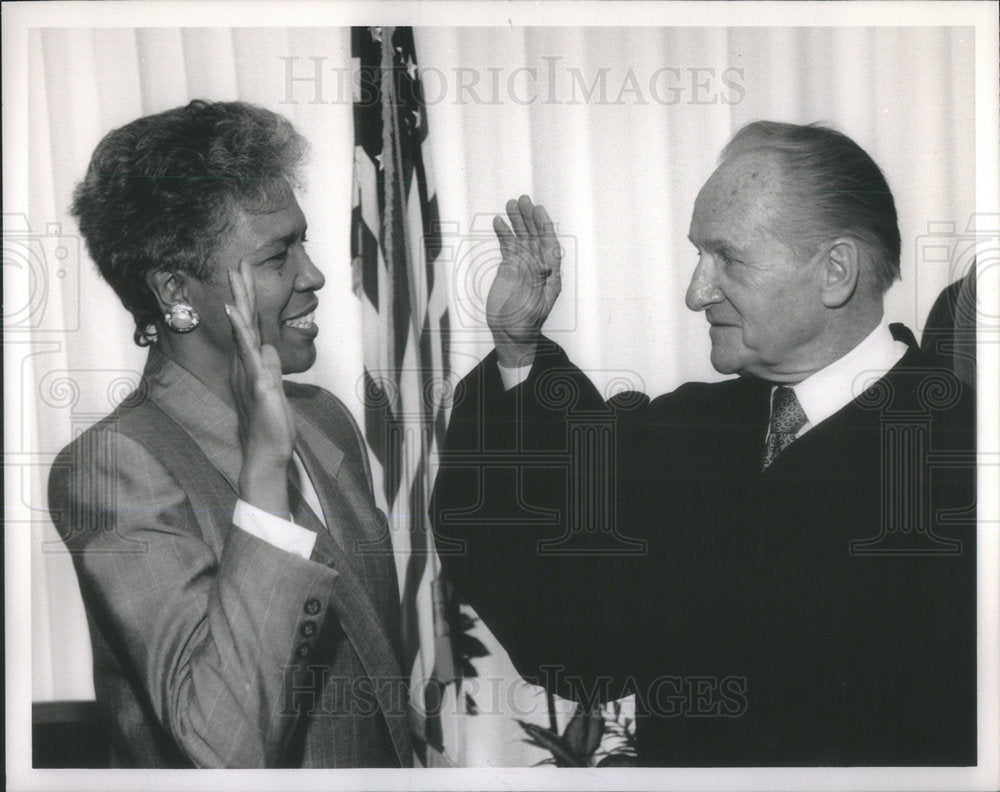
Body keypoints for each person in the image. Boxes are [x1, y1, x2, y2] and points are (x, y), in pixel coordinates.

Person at [431, 121, 976, 766]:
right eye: (698, 256)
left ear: (835, 271)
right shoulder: (687, 429)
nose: (696, 293)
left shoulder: (962, 460)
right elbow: (572, 637)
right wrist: (517, 349)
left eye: (728, 259)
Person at [48, 100, 412, 768]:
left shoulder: (323, 418)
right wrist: (264, 475)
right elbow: (225, 745)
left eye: (302, 241)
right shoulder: (113, 466)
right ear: (175, 292)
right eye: (276, 257)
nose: (313, 274)